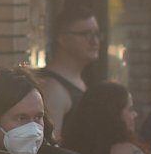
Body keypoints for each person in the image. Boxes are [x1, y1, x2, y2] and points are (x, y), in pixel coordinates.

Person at [36, 7, 102, 140]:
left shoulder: (77, 81)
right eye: (85, 34)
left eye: (97, 34)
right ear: (63, 39)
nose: (95, 41)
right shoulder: (54, 89)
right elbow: (50, 146)